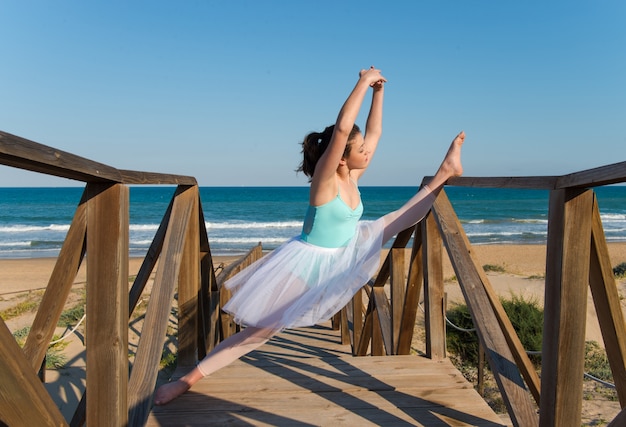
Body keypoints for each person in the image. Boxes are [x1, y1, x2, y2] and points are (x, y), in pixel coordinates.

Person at [154, 66, 465, 405]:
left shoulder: (353, 175)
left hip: (345, 251)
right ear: (340, 157)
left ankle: (444, 172)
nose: (368, 151)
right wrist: (361, 83)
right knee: (260, 332)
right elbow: (344, 127)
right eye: (359, 148)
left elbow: (373, 134)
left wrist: (379, 93)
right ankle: (188, 378)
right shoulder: (325, 182)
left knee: (394, 221)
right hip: (305, 265)